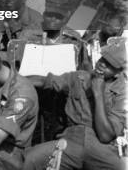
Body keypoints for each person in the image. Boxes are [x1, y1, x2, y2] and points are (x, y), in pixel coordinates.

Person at [24, 42, 127, 170]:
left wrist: (98, 93)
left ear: (118, 73)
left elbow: (105, 136)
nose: (102, 64)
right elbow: (46, 81)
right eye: (102, 59)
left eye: (109, 65)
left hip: (101, 148)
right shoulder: (79, 77)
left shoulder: (122, 95)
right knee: (27, 159)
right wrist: (14, 79)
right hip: (69, 142)